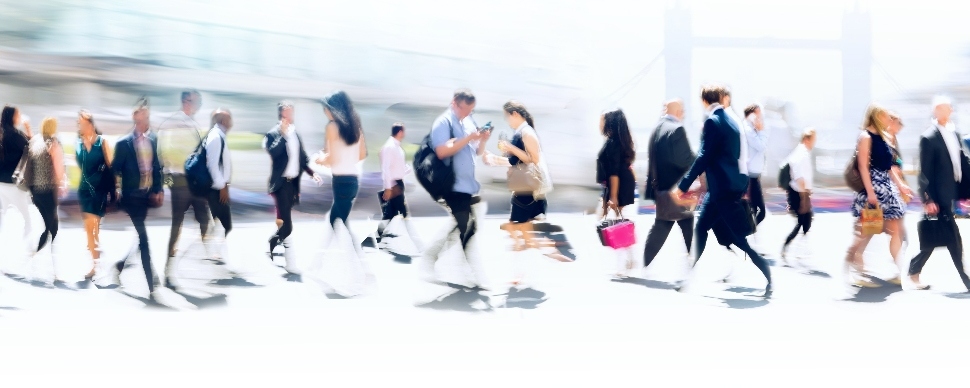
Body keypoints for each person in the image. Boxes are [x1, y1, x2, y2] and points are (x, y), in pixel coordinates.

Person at [671, 84, 773, 298]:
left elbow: (703, 157)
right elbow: (738, 158)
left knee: (734, 238)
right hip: (727, 189)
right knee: (706, 231)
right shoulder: (733, 120)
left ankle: (765, 270)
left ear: (704, 101)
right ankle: (687, 275)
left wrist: (683, 186)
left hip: (720, 191)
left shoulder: (712, 121)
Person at [419, 89, 492, 289]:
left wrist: (482, 139)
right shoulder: (443, 122)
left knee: (464, 226)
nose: (468, 114)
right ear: (454, 103)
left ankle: (431, 258)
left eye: (471, 111)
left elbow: (477, 151)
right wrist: (468, 138)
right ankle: (473, 276)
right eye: (465, 110)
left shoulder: (468, 122)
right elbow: (441, 151)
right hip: (451, 185)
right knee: (466, 228)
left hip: (467, 186)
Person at [843, 103, 913, 287]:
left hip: (887, 188)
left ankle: (899, 272)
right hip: (874, 188)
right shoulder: (865, 137)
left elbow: (889, 166)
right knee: (866, 232)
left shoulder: (883, 137)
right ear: (875, 116)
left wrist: (901, 186)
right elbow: (863, 167)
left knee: (895, 230)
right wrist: (871, 192)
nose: (888, 120)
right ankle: (855, 269)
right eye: (885, 116)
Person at [486, 100, 555, 286]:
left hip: (527, 190)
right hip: (524, 189)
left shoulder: (526, 132)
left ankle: (523, 274)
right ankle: (525, 273)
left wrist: (510, 147)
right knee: (523, 233)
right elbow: (515, 161)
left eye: (507, 116)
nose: (507, 121)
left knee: (519, 232)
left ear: (515, 114)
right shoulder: (521, 132)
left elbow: (533, 159)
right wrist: (494, 159)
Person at [309, 91, 369, 297]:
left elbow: (332, 158)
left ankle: (358, 275)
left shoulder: (332, 126)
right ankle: (318, 265)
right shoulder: (355, 126)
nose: (324, 111)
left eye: (325, 108)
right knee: (338, 223)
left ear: (332, 109)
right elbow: (362, 154)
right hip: (353, 181)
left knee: (337, 223)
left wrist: (319, 159)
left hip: (341, 181)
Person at [907, 96, 970, 291]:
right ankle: (966, 280)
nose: (945, 112)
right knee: (953, 238)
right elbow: (924, 171)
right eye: (940, 109)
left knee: (936, 236)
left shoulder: (954, 133)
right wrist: (928, 198)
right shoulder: (929, 137)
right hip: (938, 194)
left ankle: (913, 271)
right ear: (935, 112)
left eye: (947, 108)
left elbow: (961, 163)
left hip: (952, 190)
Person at [108, 98, 164, 299]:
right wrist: (114, 188)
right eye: (144, 116)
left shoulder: (154, 140)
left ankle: (120, 265)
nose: (148, 120)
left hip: (146, 196)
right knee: (144, 239)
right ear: (135, 117)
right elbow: (115, 169)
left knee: (140, 238)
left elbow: (158, 166)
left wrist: (158, 189)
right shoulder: (124, 144)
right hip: (131, 197)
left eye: (149, 116)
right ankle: (152, 283)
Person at [156, 89, 210, 278]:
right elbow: (164, 153)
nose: (199, 106)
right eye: (198, 102)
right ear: (187, 102)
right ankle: (175, 254)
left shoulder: (191, 124)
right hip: (182, 179)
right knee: (186, 218)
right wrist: (167, 180)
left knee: (194, 217)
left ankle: (200, 250)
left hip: (187, 180)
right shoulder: (175, 123)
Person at [264, 100, 321, 278]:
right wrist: (283, 135)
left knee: (284, 220)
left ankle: (273, 241)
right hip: (280, 184)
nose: (290, 116)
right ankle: (291, 264)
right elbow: (273, 153)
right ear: (281, 114)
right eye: (287, 113)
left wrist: (312, 173)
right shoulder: (273, 133)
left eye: (292, 112)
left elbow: (302, 157)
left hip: (292, 185)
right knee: (287, 225)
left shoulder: (295, 132)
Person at [642, 99, 695, 272]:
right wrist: (700, 162)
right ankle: (695, 264)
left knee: (662, 226)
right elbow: (685, 159)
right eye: (683, 110)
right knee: (687, 225)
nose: (684, 113)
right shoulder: (677, 130)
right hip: (677, 191)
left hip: (661, 190)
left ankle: (645, 263)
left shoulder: (656, 129)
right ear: (678, 111)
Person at [597, 108, 638, 278]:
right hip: (619, 184)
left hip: (617, 186)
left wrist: (613, 196)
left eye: (602, 120)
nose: (599, 124)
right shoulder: (620, 141)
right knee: (619, 223)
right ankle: (629, 258)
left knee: (617, 225)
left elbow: (614, 172)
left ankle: (622, 264)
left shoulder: (613, 143)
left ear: (609, 123)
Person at [75, 109, 113, 285]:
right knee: (89, 229)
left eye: (81, 123)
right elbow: (80, 165)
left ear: (90, 124)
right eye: (78, 123)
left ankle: (96, 262)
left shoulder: (102, 142)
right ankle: (96, 262)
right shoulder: (78, 143)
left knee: (93, 227)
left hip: (98, 191)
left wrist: (114, 189)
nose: (79, 126)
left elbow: (111, 166)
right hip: (84, 190)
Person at [375, 122, 424, 253]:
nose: (405, 134)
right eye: (404, 131)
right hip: (394, 185)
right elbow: (385, 168)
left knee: (389, 215)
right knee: (404, 214)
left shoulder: (396, 147)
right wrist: (388, 188)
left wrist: (406, 170)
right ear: (400, 132)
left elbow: (397, 168)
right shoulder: (390, 147)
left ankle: (373, 240)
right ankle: (418, 245)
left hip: (397, 184)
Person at [0, 105, 34, 257]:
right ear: (13, 117)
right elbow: (32, 148)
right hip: (13, 184)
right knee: (27, 217)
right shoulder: (16, 135)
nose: (20, 118)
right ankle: (29, 248)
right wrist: (28, 128)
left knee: (1, 215)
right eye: (18, 115)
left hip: (0, 184)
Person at [780, 128, 816, 265]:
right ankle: (790, 247)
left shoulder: (802, 152)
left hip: (801, 192)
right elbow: (800, 177)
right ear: (806, 139)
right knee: (803, 221)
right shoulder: (801, 154)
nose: (813, 143)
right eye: (813, 140)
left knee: (806, 221)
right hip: (798, 193)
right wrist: (804, 199)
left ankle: (798, 247)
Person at [204, 108, 234, 270]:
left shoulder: (219, 136)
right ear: (222, 121)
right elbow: (213, 165)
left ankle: (211, 247)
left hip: (219, 187)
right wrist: (222, 186)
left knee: (219, 221)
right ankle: (211, 248)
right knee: (225, 223)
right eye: (229, 119)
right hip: (216, 189)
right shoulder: (216, 137)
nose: (232, 123)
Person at [743, 104, 769, 227]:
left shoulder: (751, 129)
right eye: (758, 115)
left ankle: (742, 234)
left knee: (753, 210)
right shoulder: (748, 129)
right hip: (749, 176)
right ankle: (742, 232)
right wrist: (761, 131)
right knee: (759, 211)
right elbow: (761, 146)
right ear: (751, 114)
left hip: (754, 175)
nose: (760, 118)